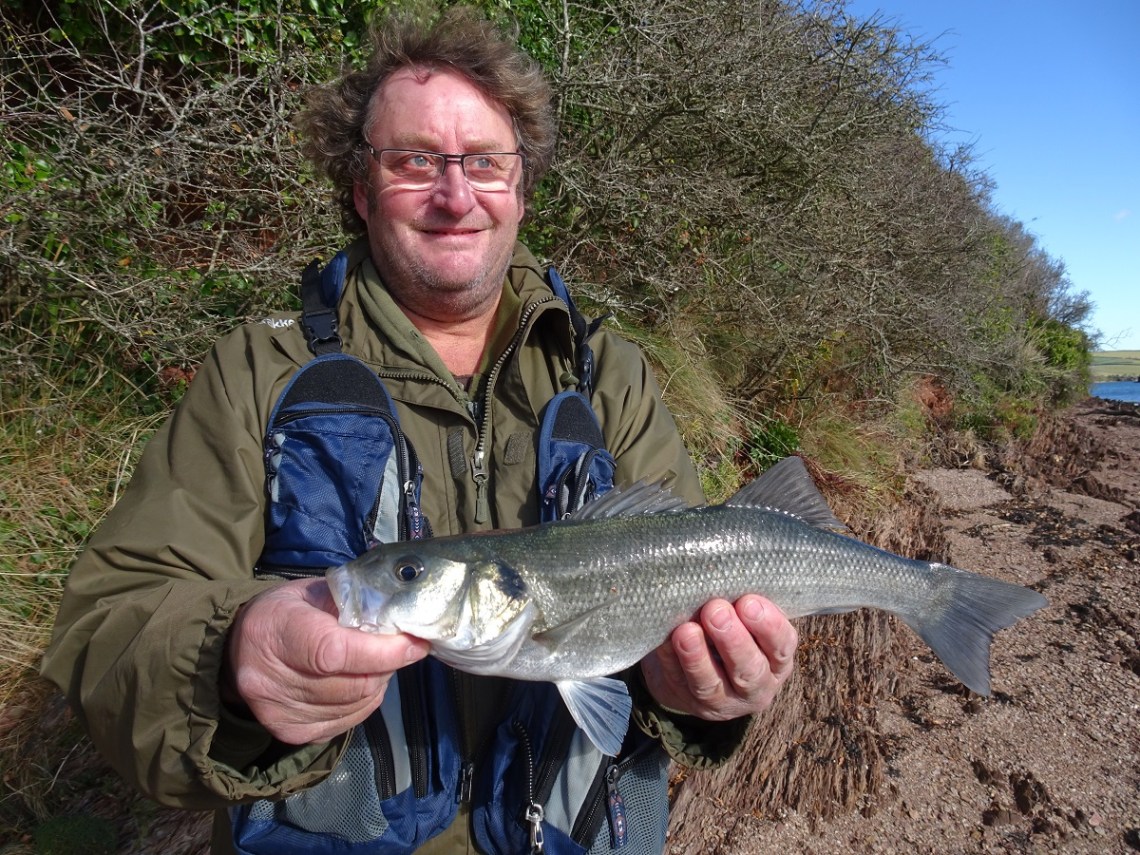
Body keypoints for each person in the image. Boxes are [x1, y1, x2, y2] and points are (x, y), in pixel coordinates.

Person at [41, 7, 798, 854]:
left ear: (521, 187)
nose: (454, 194)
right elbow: (107, 628)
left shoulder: (612, 377)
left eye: (485, 162)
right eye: (414, 162)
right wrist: (229, 657)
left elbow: (692, 607)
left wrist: (702, 687)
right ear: (361, 190)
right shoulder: (255, 373)